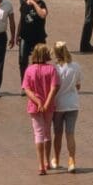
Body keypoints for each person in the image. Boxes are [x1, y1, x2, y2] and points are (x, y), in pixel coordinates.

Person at [23, 43, 59, 176]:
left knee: (38, 133)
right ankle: (47, 161)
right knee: (47, 132)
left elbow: (27, 89)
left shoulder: (29, 70)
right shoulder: (51, 69)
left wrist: (38, 102)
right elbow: (54, 88)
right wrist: (46, 103)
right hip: (48, 107)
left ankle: (40, 165)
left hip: (34, 106)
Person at [52, 41, 82, 173]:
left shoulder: (55, 69)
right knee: (70, 133)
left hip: (59, 105)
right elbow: (78, 86)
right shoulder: (75, 66)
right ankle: (72, 160)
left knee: (57, 134)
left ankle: (57, 159)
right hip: (73, 104)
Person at [16, 0, 48, 92]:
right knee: (22, 61)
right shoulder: (24, 4)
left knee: (38, 62)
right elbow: (21, 20)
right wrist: (17, 35)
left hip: (38, 38)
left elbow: (43, 14)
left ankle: (36, 85)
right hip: (25, 37)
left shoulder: (41, 3)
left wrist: (34, 3)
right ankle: (24, 85)